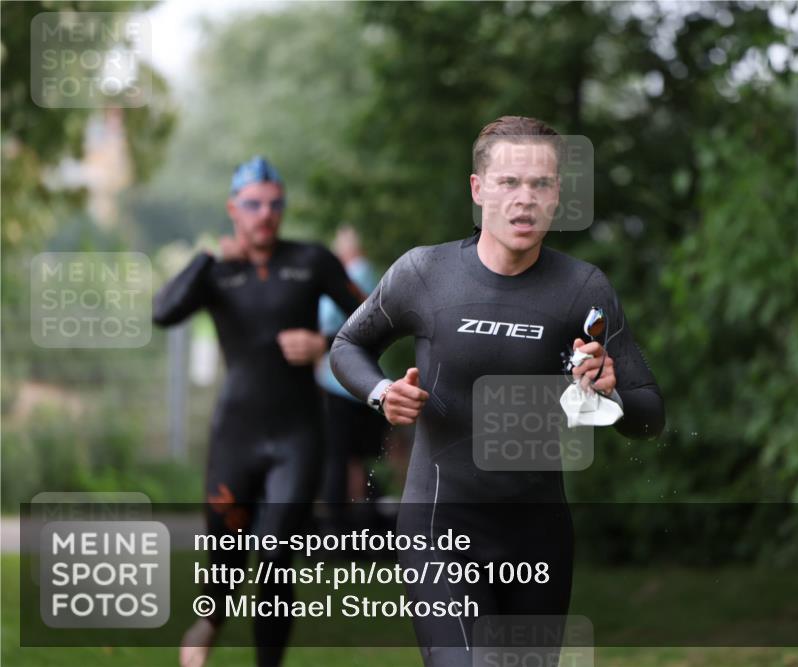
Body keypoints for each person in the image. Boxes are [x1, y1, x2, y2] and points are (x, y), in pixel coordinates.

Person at [331, 116, 664, 666]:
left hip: (538, 535)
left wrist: (614, 396)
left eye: (541, 184)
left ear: (559, 194)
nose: (525, 199)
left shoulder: (582, 289)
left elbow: (651, 415)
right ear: (478, 188)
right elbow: (347, 345)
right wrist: (382, 392)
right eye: (509, 182)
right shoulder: (424, 273)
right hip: (441, 525)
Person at [152, 156, 362, 667]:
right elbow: (162, 312)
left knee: (274, 557)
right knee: (225, 563)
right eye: (252, 205)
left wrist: (325, 341)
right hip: (235, 439)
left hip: (298, 436)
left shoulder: (312, 261)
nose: (265, 214)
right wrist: (205, 260)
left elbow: (376, 317)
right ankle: (211, 620)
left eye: (274, 204)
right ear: (233, 209)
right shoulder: (218, 273)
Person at [313, 225, 388, 532]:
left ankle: (337, 525)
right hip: (368, 379)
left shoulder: (350, 275)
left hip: (339, 380)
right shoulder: (374, 274)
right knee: (358, 458)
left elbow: (329, 320)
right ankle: (361, 523)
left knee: (338, 457)